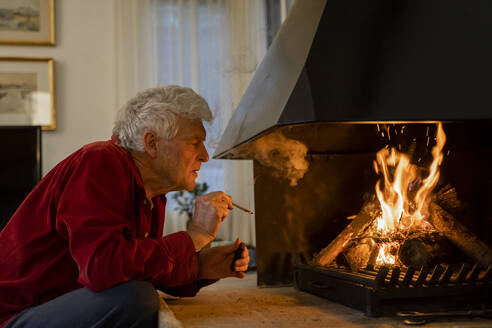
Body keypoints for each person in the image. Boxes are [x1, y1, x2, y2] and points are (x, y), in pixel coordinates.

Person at [0, 85, 249, 328]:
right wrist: (197, 236)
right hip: (13, 316)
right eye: (195, 142)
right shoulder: (99, 161)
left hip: (50, 307)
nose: (205, 155)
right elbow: (102, 268)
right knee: (136, 298)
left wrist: (199, 266)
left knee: (138, 293)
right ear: (152, 143)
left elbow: (131, 267)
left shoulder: (150, 195)